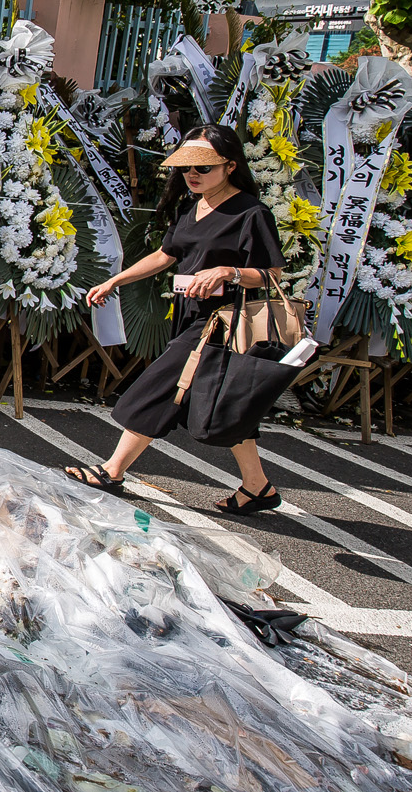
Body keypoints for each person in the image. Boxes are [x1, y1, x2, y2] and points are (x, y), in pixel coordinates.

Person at [63, 124, 288, 514]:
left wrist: (228, 272)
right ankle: (257, 487)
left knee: (159, 386)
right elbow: (167, 255)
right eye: (186, 169)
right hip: (188, 316)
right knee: (223, 403)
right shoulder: (191, 208)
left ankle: (112, 471)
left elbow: (272, 275)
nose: (192, 175)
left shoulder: (252, 213)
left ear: (230, 166)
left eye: (202, 168)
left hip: (223, 324)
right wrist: (116, 279)